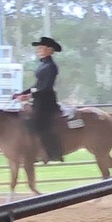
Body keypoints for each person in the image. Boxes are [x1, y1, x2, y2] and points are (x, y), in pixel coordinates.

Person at [13, 35, 65, 163]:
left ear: (49, 49)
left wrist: (28, 95)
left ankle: (53, 152)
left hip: (46, 102)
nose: (38, 50)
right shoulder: (43, 65)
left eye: (41, 47)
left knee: (38, 123)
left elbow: (46, 87)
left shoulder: (51, 66)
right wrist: (22, 93)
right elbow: (37, 85)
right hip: (39, 101)